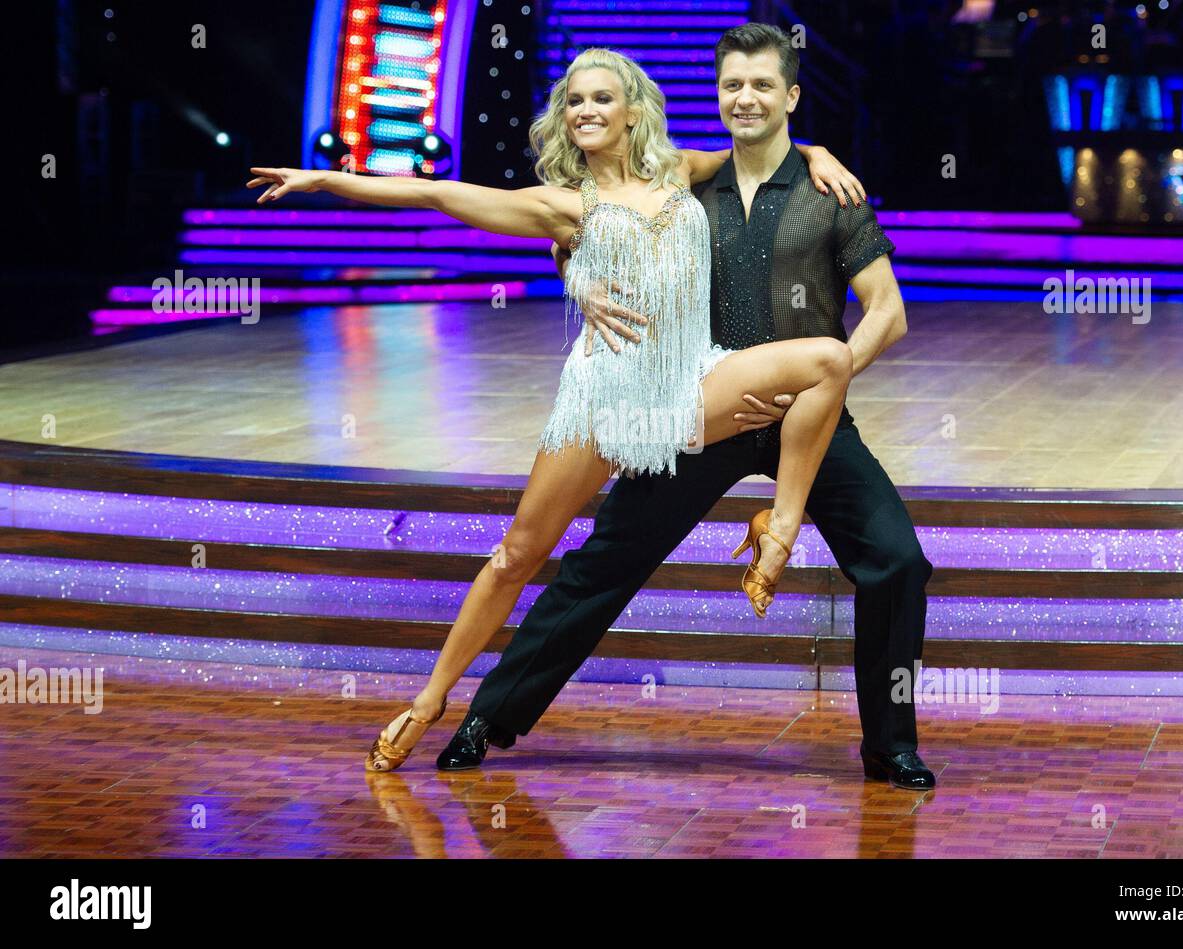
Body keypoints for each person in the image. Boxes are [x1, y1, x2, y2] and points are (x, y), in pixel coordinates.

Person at [248, 45, 866, 773]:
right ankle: (432, 698)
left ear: (633, 110)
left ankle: (779, 527)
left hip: (687, 385)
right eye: (574, 101)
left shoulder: (679, 170)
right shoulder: (562, 205)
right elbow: (435, 196)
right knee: (516, 554)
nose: (585, 111)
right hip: (605, 400)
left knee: (828, 357)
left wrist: (819, 150)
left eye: (601, 98)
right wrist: (325, 178)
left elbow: (760, 146)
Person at [435, 24, 937, 790]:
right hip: (699, 410)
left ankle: (890, 746)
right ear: (718, 94)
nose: (746, 97)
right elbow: (588, 219)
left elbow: (888, 313)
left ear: (791, 96)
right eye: (733, 85)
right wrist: (578, 274)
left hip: (808, 419)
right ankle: (487, 716)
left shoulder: (832, 194)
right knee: (603, 564)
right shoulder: (683, 184)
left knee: (898, 560)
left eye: (763, 85)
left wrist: (819, 389)